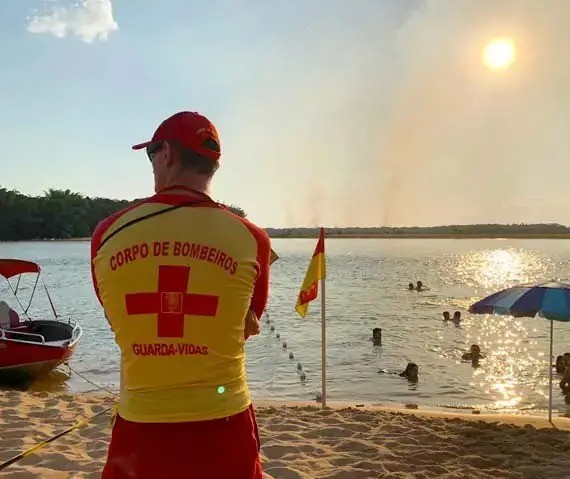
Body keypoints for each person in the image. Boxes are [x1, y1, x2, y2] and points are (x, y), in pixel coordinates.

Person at [90, 111, 270, 479]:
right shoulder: (252, 238)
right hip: (226, 423)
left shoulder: (107, 234)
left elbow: (117, 318)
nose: (152, 165)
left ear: (167, 154)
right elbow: (248, 325)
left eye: (151, 155)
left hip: (141, 428)